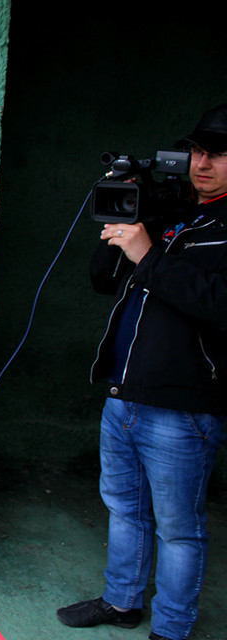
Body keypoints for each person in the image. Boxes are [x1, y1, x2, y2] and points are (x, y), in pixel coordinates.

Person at [57, 103, 227, 640]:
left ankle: (172, 629)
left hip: (185, 405)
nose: (204, 163)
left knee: (180, 529)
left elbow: (218, 303)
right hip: (124, 393)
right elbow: (104, 281)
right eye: (198, 151)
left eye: (219, 154)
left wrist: (148, 253)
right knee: (125, 509)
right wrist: (120, 225)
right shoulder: (176, 214)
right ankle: (122, 601)